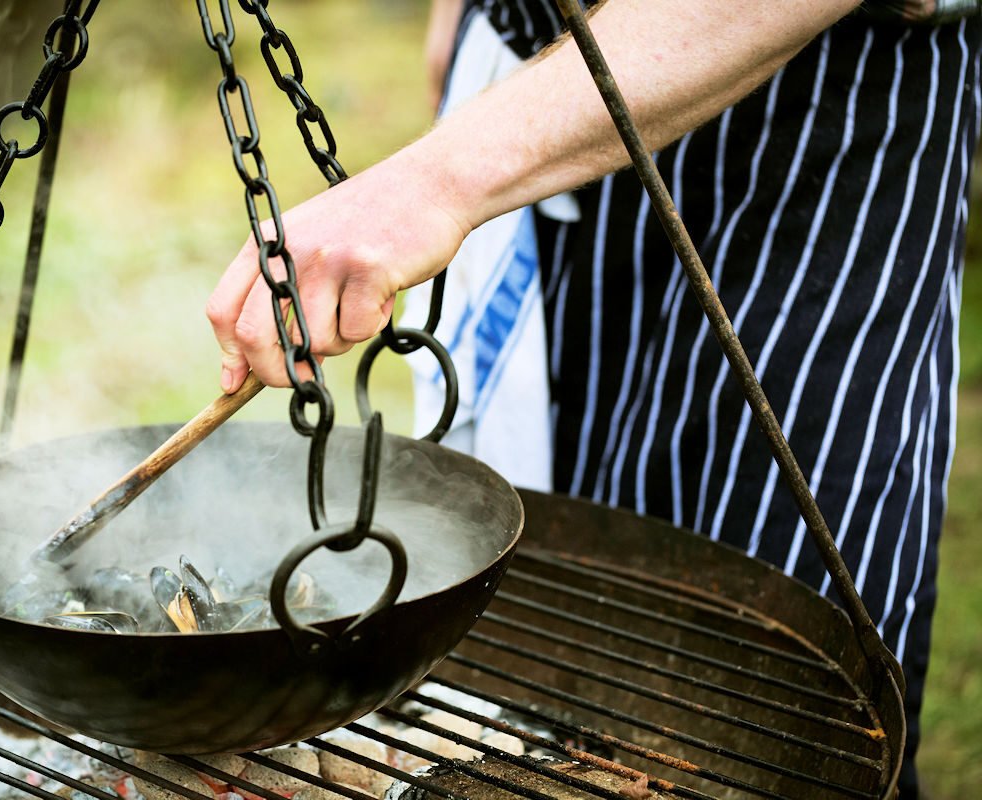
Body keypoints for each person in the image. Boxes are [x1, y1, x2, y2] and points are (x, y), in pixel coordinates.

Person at [207, 1, 981, 795]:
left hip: (815, 130)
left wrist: (436, 180)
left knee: (773, 686)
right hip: (546, 108)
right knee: (549, 659)